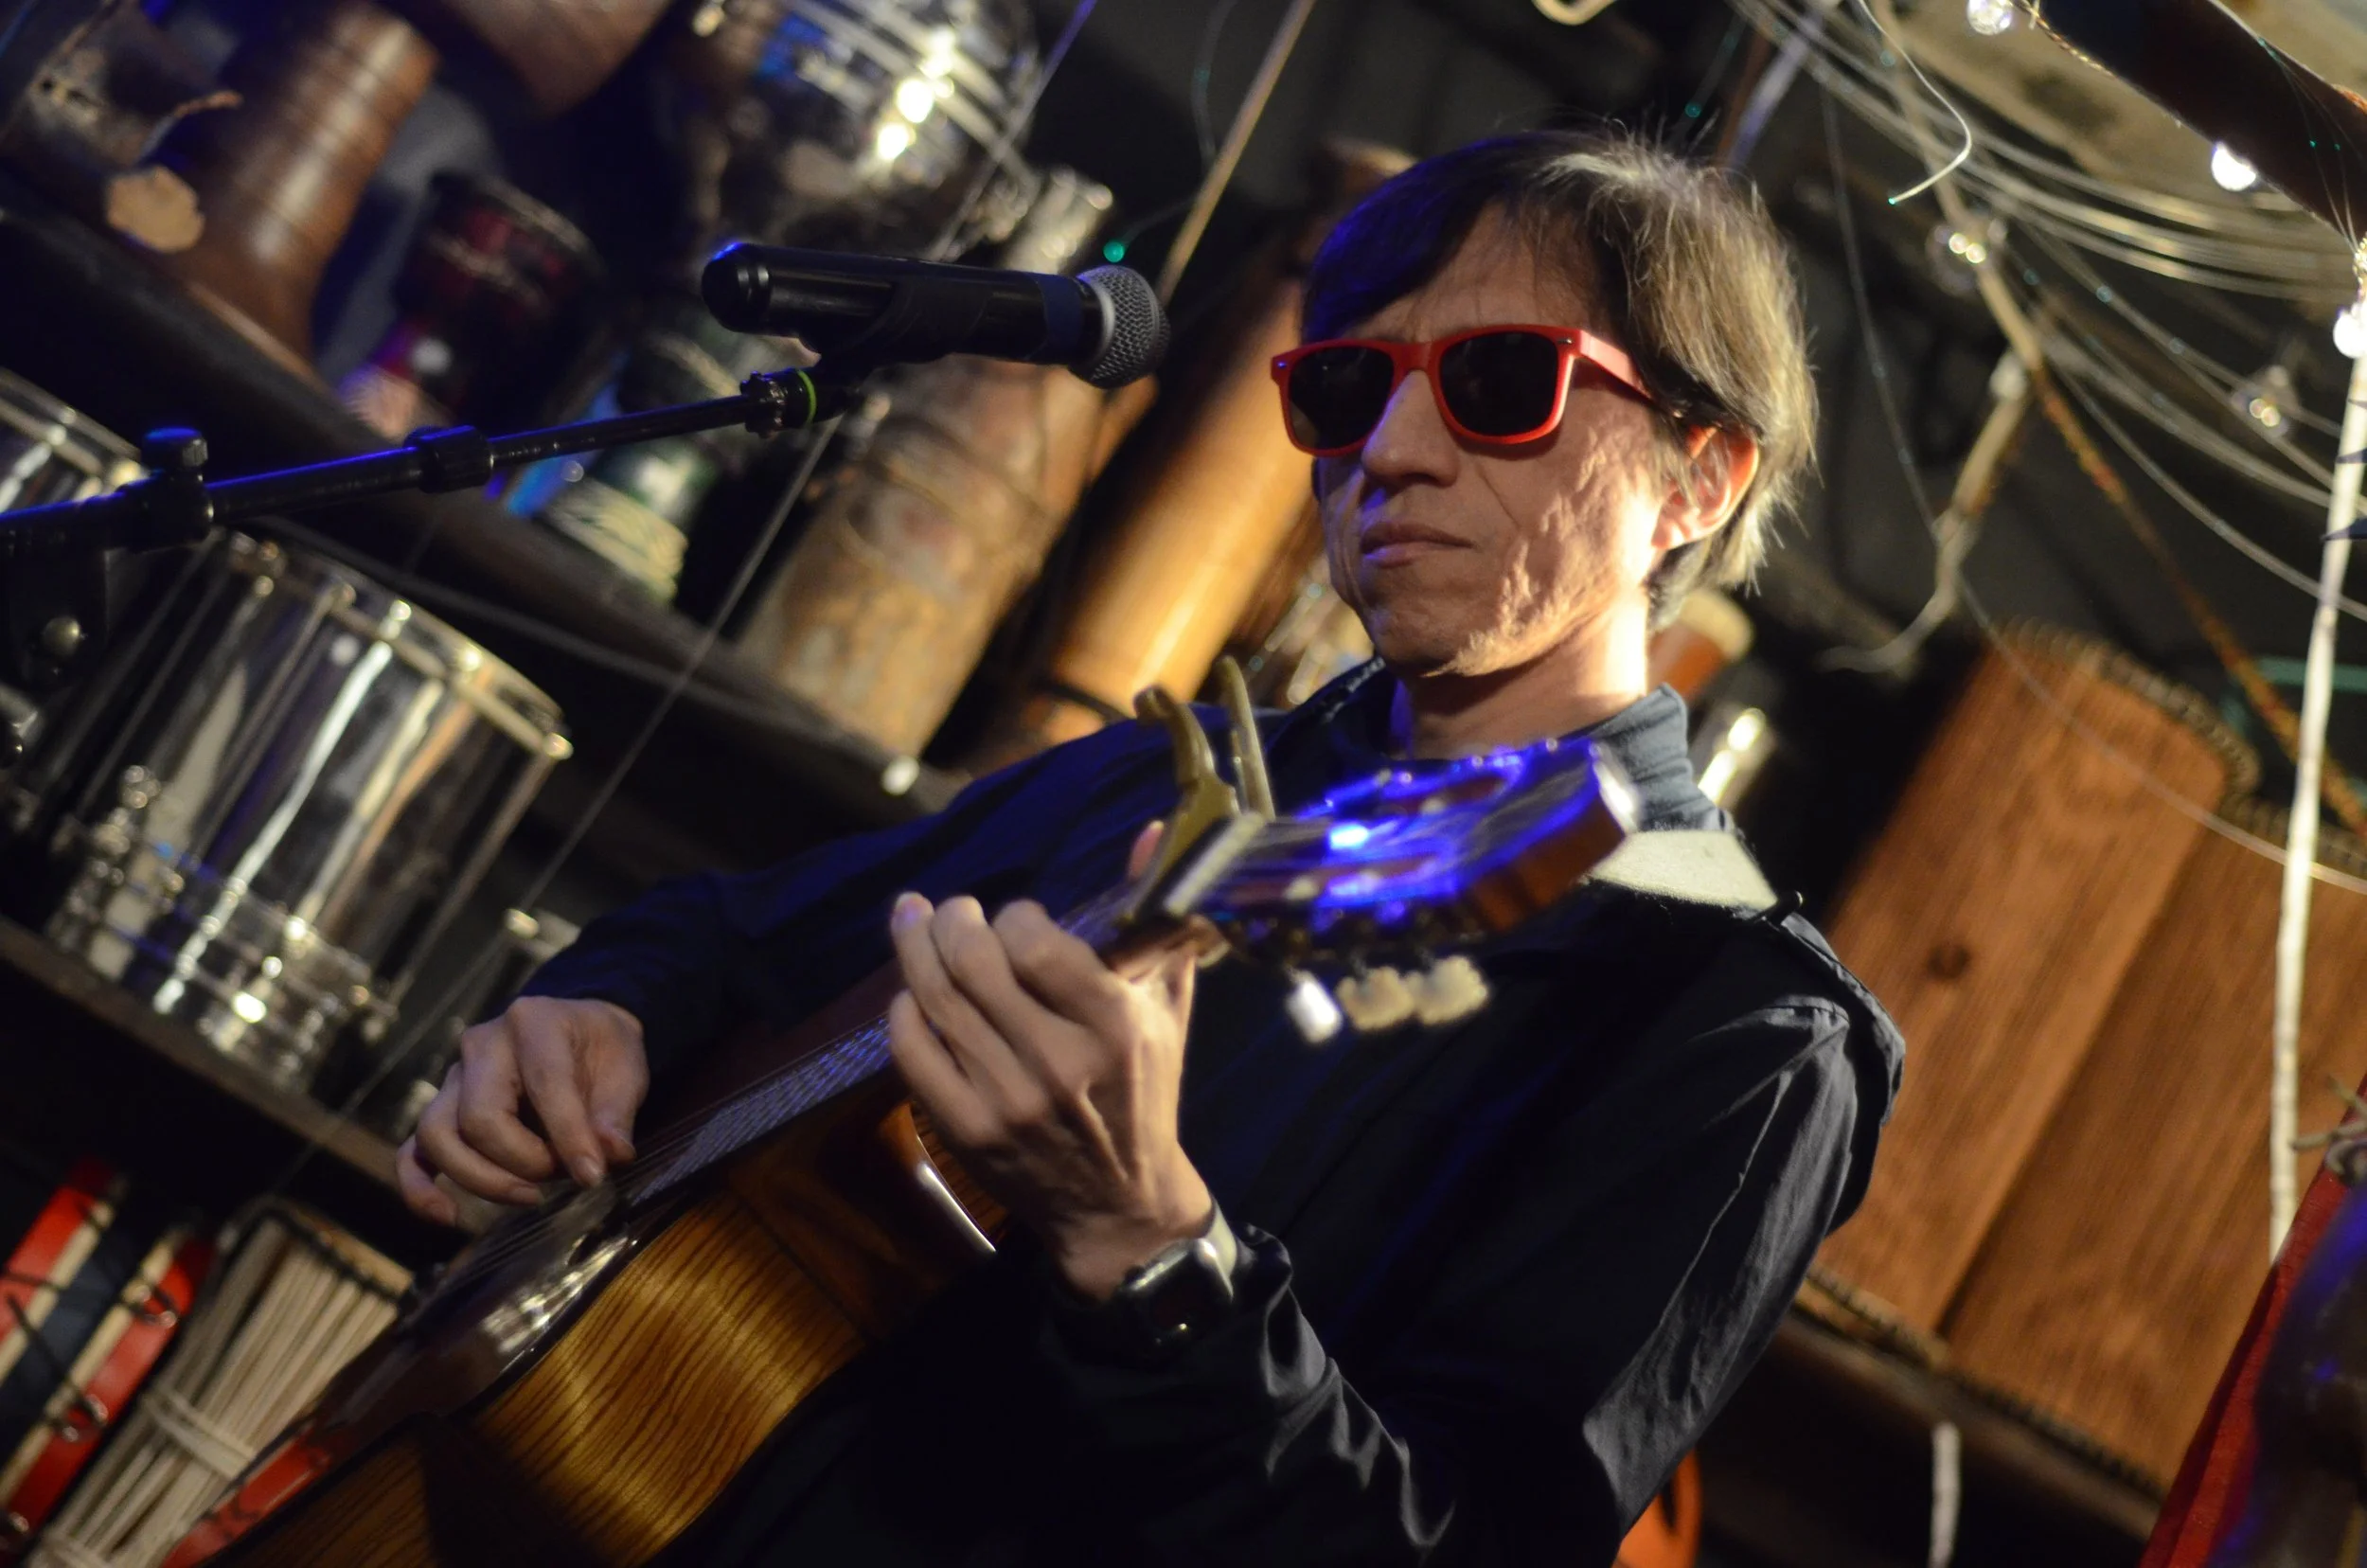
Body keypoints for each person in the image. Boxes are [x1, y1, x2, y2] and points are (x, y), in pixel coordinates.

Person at [398, 129, 1903, 1565]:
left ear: (1700, 477)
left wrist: (1151, 1248)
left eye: (1501, 382)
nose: (1390, 450)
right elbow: (736, 938)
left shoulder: (1744, 1026)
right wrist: (594, 1009)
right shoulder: (1166, 778)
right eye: (1346, 386)